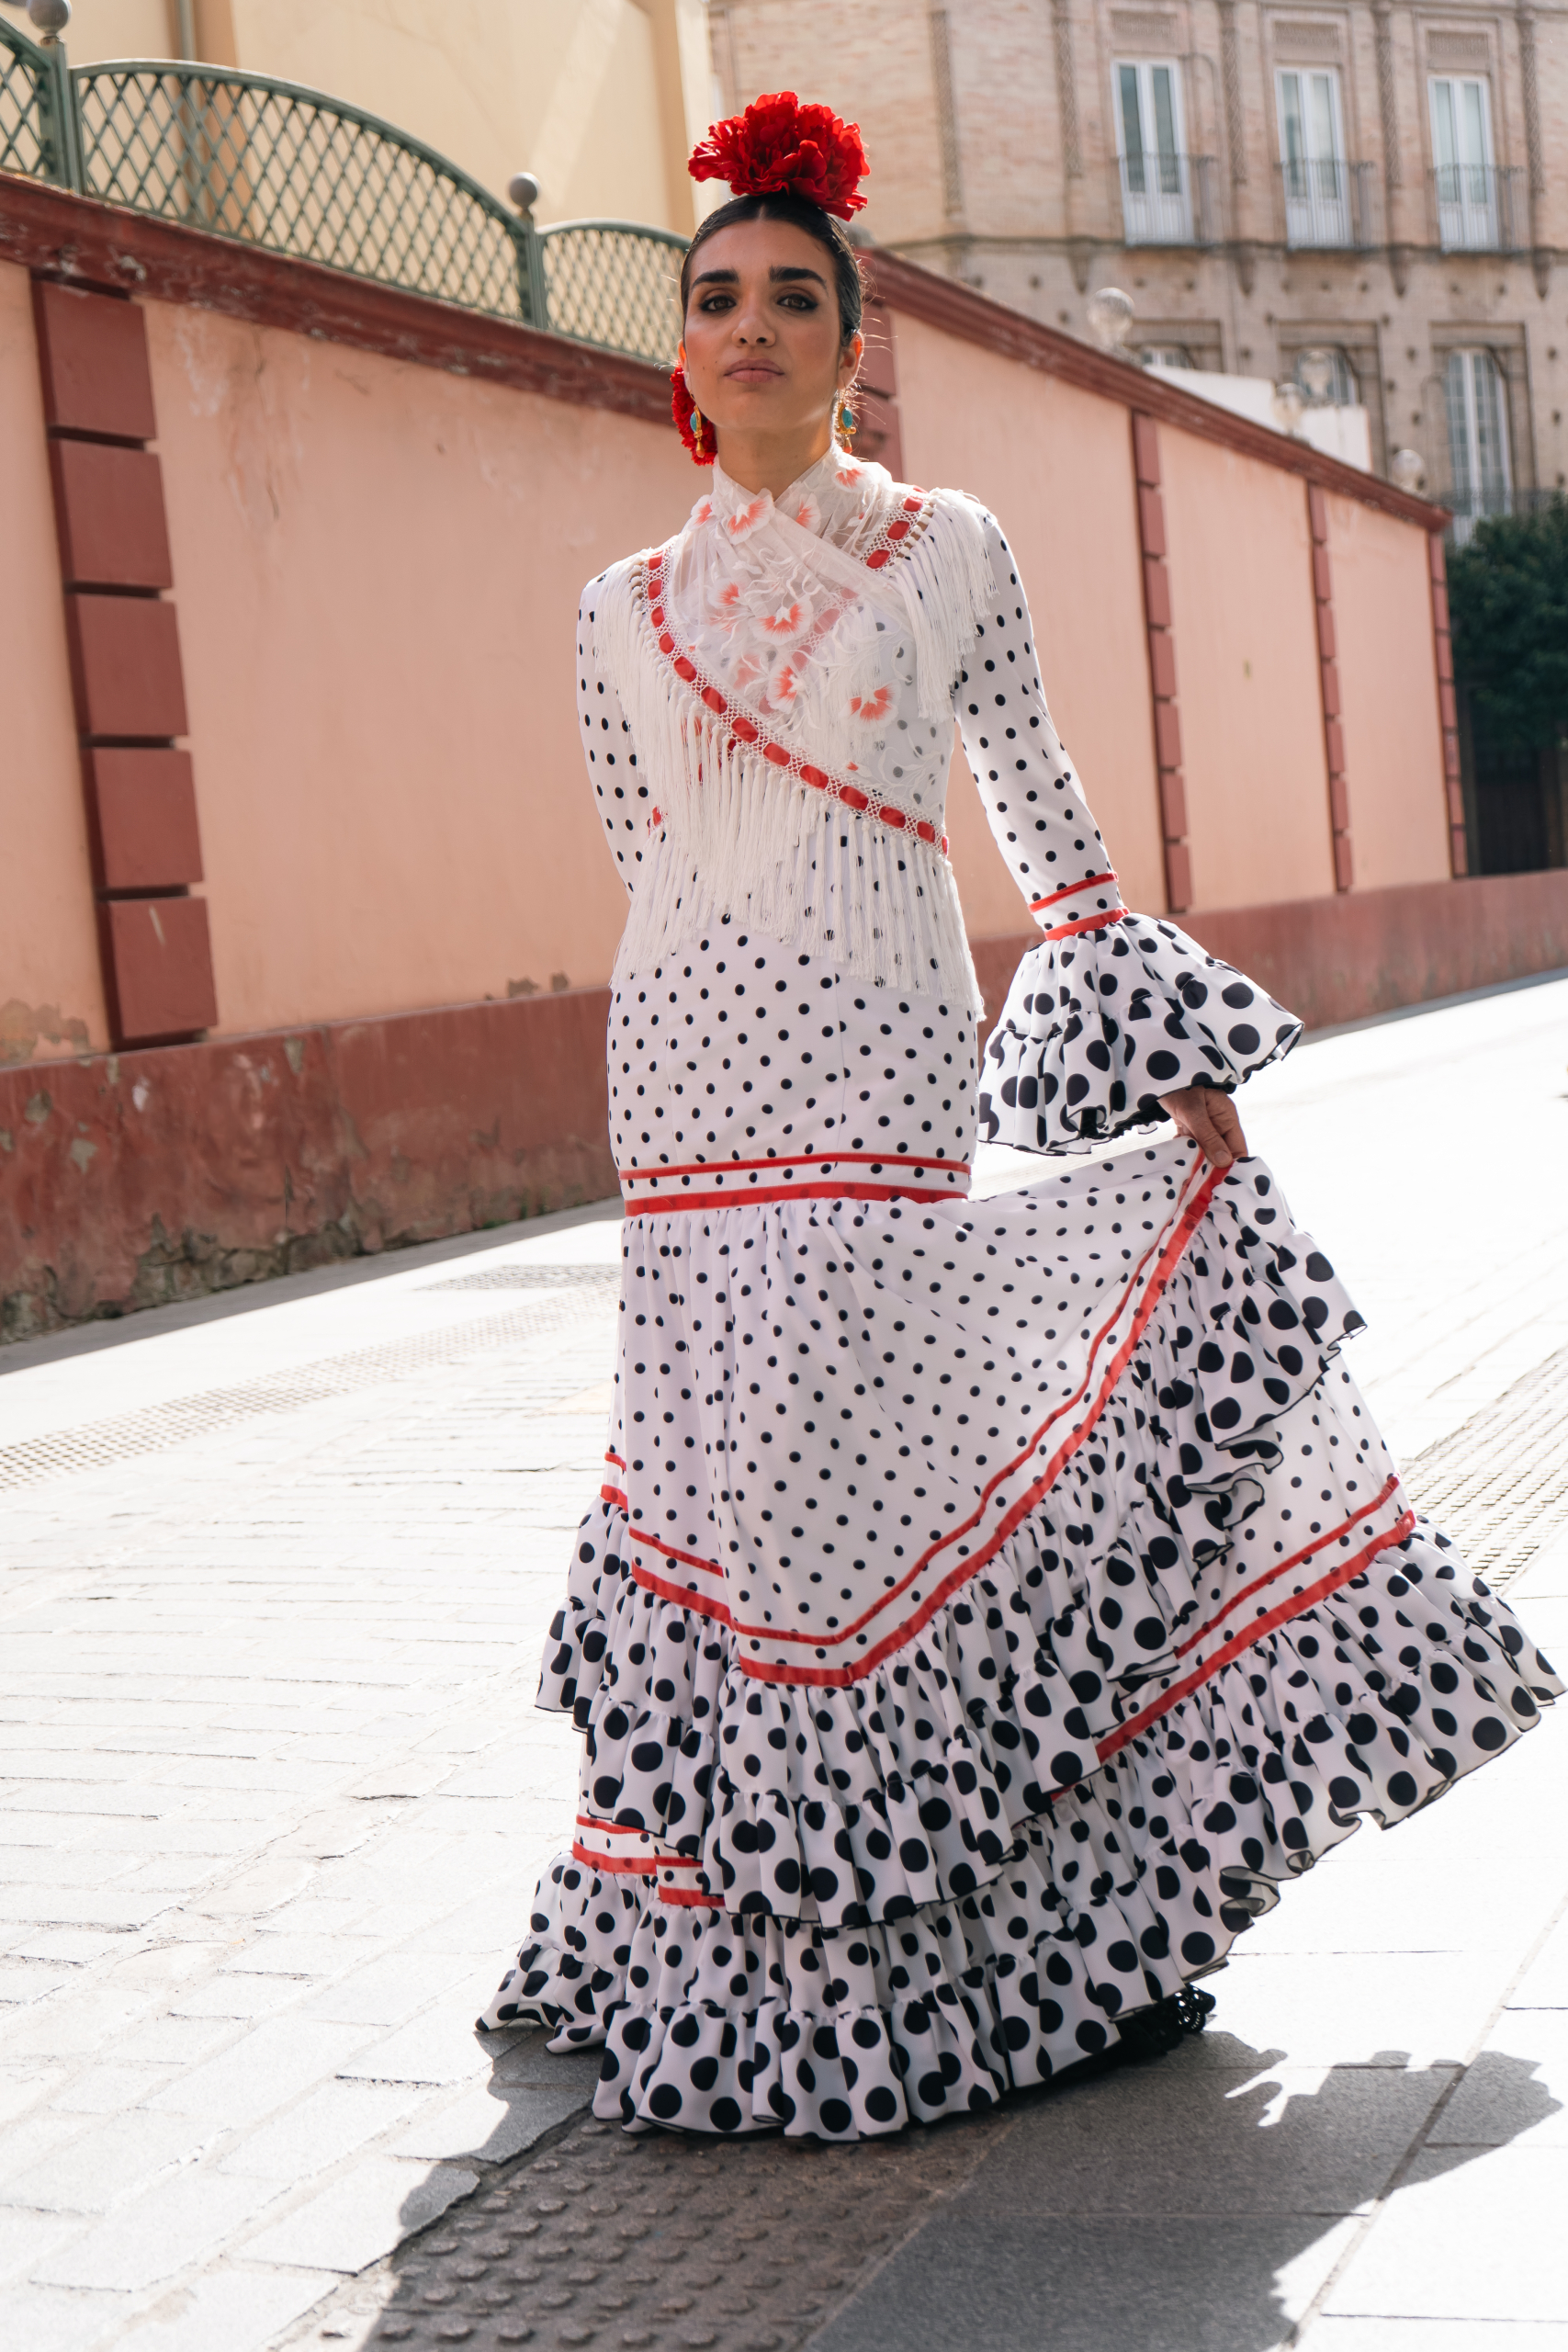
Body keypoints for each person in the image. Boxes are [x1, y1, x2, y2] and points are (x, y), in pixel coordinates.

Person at [479, 95, 1559, 2138]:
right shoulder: (615, 606)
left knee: (889, 1490)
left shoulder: (945, 546)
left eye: (791, 298)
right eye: (714, 298)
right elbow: (646, 848)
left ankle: (1032, 1930)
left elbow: (1038, 801)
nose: (748, 325)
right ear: (681, 344)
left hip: (884, 1065)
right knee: (738, 1493)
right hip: (686, 1093)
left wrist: (1169, 1058)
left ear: (851, 340)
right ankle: (721, 1935)